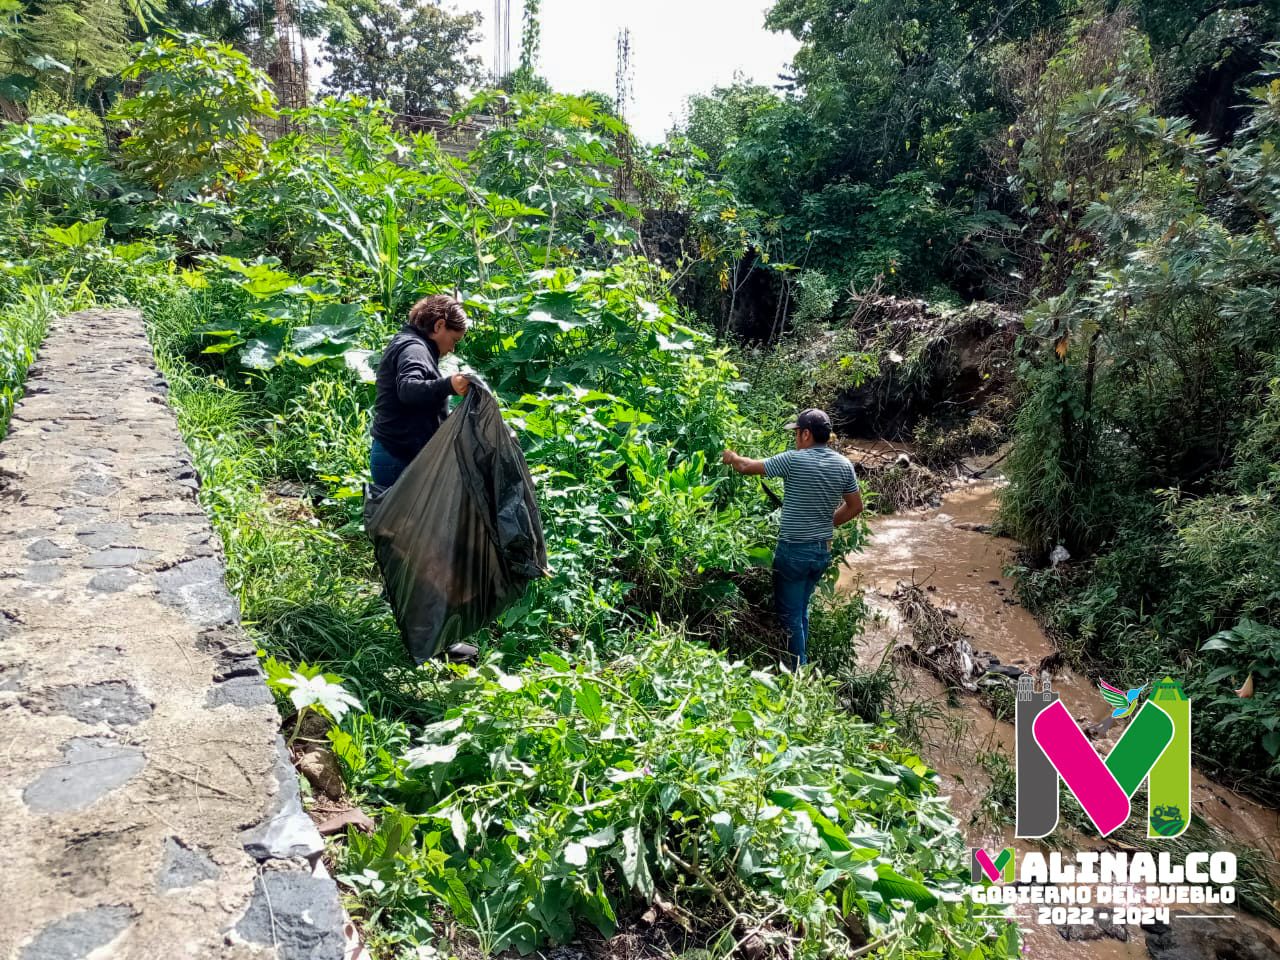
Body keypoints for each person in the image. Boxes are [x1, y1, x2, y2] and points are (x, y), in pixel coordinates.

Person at [722, 409, 862, 668]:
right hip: (821, 552)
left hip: (794, 552)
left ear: (807, 434)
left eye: (797, 433)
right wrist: (825, 522)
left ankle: (797, 675)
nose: (795, 439)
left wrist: (731, 457)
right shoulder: (844, 465)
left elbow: (745, 466)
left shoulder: (794, 460)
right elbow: (855, 506)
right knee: (800, 609)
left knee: (789, 616)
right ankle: (804, 667)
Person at [370, 295, 471, 489]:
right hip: (398, 458)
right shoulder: (414, 349)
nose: (452, 348)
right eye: (454, 339)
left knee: (400, 519)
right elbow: (408, 389)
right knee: (403, 520)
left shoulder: (411, 343)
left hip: (396, 454)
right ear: (439, 325)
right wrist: (448, 385)